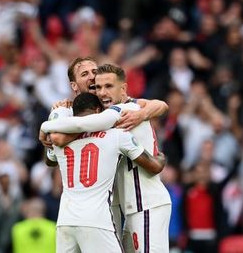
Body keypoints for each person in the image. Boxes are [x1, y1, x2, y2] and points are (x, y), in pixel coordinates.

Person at [41, 64, 172, 252]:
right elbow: (52, 154)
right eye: (96, 85)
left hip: (145, 203)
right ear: (74, 85)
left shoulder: (124, 109)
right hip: (118, 208)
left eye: (107, 85)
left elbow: (162, 105)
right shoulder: (80, 113)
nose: (101, 90)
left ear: (123, 89)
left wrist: (47, 126)